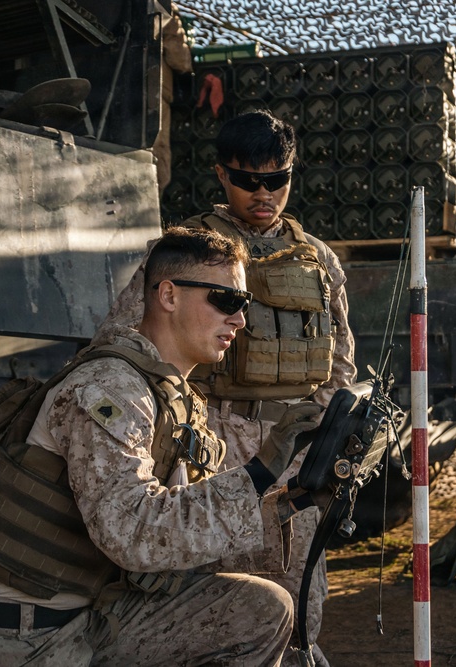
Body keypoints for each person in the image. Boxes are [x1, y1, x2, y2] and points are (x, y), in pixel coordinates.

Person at [0, 227, 326, 666]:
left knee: (260, 611)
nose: (239, 320)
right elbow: (132, 532)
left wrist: (292, 501)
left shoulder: (171, 396)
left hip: (82, 616)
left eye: (243, 304)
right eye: (225, 300)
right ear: (169, 296)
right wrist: (260, 471)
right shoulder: (111, 389)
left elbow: (184, 531)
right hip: (14, 635)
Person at [98, 109, 356, 666]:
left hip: (295, 449)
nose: (263, 194)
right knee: (213, 589)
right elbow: (125, 340)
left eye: (277, 179)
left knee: (298, 591)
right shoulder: (190, 252)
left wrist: (329, 440)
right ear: (222, 175)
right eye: (248, 180)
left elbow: (339, 365)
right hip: (209, 441)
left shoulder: (318, 260)